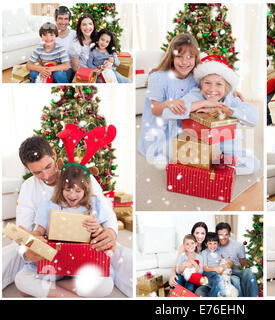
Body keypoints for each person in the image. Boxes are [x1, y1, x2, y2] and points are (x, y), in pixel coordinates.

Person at [2, 135, 132, 297]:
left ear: (54, 156)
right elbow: (25, 231)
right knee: (21, 277)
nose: (47, 176)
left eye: (48, 166)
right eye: (37, 172)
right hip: (51, 257)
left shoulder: (82, 176)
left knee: (107, 282)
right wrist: (30, 248)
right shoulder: (32, 191)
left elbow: (105, 212)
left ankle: (49, 289)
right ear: (29, 170)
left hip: (85, 252)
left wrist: (110, 232)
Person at [15, 165, 114, 298]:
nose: (72, 195)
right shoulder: (48, 206)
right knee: (21, 279)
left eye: (78, 191)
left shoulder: (94, 204)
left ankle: (49, 290)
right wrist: (31, 237)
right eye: (68, 190)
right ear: (61, 188)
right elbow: (38, 231)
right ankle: (70, 295)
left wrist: (98, 229)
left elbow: (104, 234)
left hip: (82, 263)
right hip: (55, 262)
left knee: (106, 285)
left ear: (85, 190)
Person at [163, 54, 259, 175]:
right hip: (198, 148)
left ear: (226, 87)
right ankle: (210, 168)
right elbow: (167, 113)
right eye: (207, 83)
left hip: (227, 150)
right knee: (166, 147)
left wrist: (230, 111)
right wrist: (203, 103)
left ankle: (207, 168)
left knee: (253, 164)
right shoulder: (195, 95)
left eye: (219, 84)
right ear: (201, 84)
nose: (212, 89)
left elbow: (253, 118)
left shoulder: (231, 99)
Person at [137, 33, 200, 165]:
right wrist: (168, 103)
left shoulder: (195, 77)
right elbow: (154, 110)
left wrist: (232, 92)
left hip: (181, 129)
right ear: (172, 57)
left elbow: (213, 85)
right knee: (178, 159)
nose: (184, 62)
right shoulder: (158, 78)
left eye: (190, 57)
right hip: (159, 131)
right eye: (179, 56)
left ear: (195, 58)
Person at [215, 222, 258, 297]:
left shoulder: (238, 246)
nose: (223, 237)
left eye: (226, 234)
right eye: (220, 235)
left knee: (248, 272)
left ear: (229, 235)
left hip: (238, 271)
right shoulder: (214, 246)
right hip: (224, 274)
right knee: (235, 281)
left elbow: (243, 262)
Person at [168, 222, 208, 288]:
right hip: (183, 274)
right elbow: (176, 266)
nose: (200, 236)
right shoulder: (185, 246)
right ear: (193, 234)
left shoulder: (207, 247)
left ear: (206, 234)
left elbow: (201, 270)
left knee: (190, 287)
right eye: (197, 233)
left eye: (202, 233)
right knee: (176, 283)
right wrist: (172, 275)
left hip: (195, 277)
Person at [201, 232, 233, 297]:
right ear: (206, 244)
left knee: (223, 280)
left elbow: (230, 262)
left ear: (218, 244)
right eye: (210, 243)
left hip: (219, 273)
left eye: (215, 243)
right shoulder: (204, 253)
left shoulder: (220, 251)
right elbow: (205, 268)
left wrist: (225, 266)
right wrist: (216, 269)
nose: (212, 246)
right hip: (208, 273)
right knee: (218, 278)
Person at [54, 5, 76, 82]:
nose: (63, 22)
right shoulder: (50, 36)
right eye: (60, 18)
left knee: (58, 74)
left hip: (68, 68)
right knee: (35, 73)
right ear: (55, 19)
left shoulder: (74, 34)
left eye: (66, 19)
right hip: (53, 65)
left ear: (69, 21)